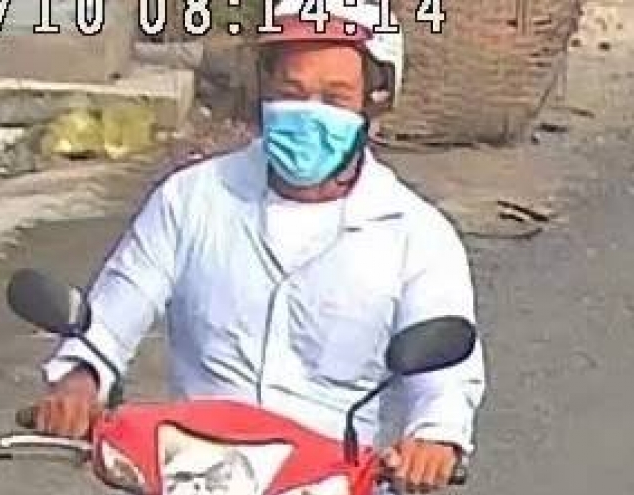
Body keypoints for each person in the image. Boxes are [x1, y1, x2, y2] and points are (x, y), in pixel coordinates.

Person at [34, 0, 487, 493]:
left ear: (372, 103)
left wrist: (434, 441)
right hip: (194, 472)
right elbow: (110, 319)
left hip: (334, 481)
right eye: (291, 93)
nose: (308, 114)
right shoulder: (191, 199)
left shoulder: (419, 237)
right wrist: (79, 382)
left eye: (334, 98)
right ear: (264, 89)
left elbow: (446, 380)